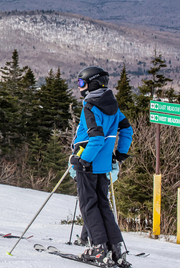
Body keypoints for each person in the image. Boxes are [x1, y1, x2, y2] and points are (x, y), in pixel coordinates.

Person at [69, 66, 133, 267]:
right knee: (103, 205)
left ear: (92, 83)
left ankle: (99, 248)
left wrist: (82, 160)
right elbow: (127, 129)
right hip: (103, 165)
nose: (80, 87)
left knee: (89, 207)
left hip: (89, 164)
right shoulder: (112, 105)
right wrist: (120, 153)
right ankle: (115, 249)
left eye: (82, 83)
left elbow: (95, 138)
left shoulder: (90, 106)